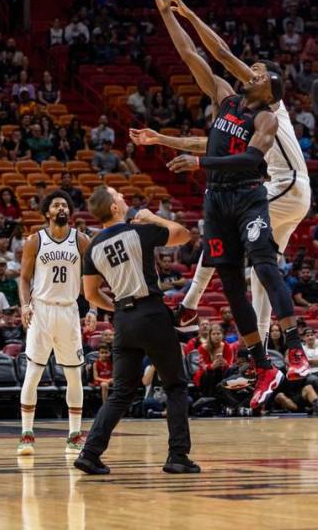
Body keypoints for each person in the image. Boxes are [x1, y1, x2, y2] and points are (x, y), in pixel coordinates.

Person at [131, 0, 310, 405]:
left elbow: (245, 156)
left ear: (270, 89)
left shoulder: (270, 114)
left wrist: (188, 13)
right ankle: (262, 363)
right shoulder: (227, 100)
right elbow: (192, 56)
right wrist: (167, 15)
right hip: (231, 194)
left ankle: (282, 340)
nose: (255, 72)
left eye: (262, 73)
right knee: (246, 280)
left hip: (273, 186)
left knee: (262, 264)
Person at [75, 185, 198, 476]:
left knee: (121, 393)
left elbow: (91, 294)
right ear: (115, 208)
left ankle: (90, 453)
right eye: (118, 195)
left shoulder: (92, 247)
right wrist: (153, 217)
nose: (123, 197)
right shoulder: (139, 231)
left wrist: (118, 307)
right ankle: (178, 456)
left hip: (124, 321)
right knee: (176, 385)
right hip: (152, 313)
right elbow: (183, 234)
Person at [16, 189, 91, 456]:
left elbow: (90, 279)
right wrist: (25, 305)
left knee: (74, 375)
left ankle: (74, 435)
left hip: (69, 311)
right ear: (47, 211)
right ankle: (26, 434)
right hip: (42, 310)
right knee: (33, 373)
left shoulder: (81, 240)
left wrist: (91, 308)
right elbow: (24, 279)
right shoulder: (35, 240)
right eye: (56, 205)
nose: (61, 209)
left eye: (65, 205)